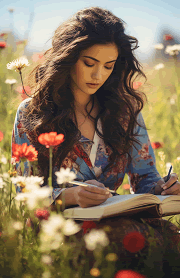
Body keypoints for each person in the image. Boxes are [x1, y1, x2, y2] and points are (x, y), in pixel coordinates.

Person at [12, 6, 180, 256]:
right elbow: (22, 193)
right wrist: (71, 195)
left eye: (108, 65)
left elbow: (145, 177)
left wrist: (162, 188)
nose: (98, 75)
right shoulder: (33, 112)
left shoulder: (125, 112)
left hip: (122, 220)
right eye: (89, 63)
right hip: (60, 229)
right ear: (68, 58)